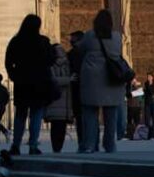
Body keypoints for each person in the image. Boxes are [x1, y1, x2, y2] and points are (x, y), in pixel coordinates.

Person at [77, 9, 126, 154]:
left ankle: (90, 144)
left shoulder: (90, 36)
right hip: (111, 80)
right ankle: (110, 144)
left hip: (92, 81)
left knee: (90, 114)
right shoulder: (117, 37)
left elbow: (80, 50)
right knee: (110, 116)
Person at [4, 14, 55, 155]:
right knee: (36, 115)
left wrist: (14, 75)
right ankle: (33, 145)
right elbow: (51, 60)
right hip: (39, 83)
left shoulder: (16, 41)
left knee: (20, 115)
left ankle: (16, 145)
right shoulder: (43, 41)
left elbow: (8, 61)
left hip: (22, 83)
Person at [46, 44, 74, 153]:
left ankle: (58, 147)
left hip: (66, 101)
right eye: (59, 50)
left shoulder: (68, 64)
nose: (62, 50)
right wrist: (68, 80)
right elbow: (52, 80)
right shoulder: (51, 65)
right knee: (56, 126)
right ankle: (56, 148)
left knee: (62, 127)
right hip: (56, 100)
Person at [67, 31, 85, 146]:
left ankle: (82, 143)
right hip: (84, 89)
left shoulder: (71, 54)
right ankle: (90, 143)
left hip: (78, 89)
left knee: (80, 118)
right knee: (87, 118)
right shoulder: (88, 53)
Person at [143, 72, 154, 139]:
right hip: (147, 103)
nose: (148, 78)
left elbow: (152, 92)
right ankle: (149, 134)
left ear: (152, 77)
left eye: (149, 77)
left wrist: (149, 86)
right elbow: (145, 93)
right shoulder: (145, 84)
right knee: (147, 119)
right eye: (147, 77)